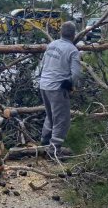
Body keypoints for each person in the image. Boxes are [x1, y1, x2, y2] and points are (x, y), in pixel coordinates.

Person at [39, 21, 81, 156]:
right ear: (74, 35)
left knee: (50, 115)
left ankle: (44, 142)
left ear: (61, 32)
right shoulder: (73, 50)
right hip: (57, 88)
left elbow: (43, 64)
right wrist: (69, 86)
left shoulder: (51, 45)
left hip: (44, 85)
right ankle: (54, 150)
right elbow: (75, 73)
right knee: (62, 120)